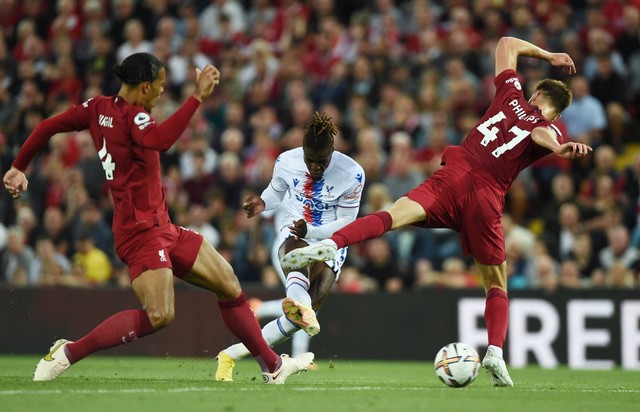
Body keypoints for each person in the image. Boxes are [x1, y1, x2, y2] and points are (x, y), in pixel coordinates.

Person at [281, 37, 593, 387]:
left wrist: (549, 55)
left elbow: (505, 43)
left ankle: (335, 242)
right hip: (486, 196)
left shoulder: (511, 96)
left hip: (454, 175)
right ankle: (495, 351)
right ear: (559, 112)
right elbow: (539, 134)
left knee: (394, 214)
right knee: (495, 281)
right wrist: (561, 147)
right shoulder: (549, 126)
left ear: (536, 94)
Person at [3, 52, 313, 384]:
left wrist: (19, 166)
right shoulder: (135, 118)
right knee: (160, 315)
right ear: (145, 87)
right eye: (161, 86)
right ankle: (67, 353)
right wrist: (197, 98)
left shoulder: (96, 107)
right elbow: (160, 140)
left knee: (229, 284)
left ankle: (272, 366)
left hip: (163, 227)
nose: (163, 92)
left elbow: (49, 125)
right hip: (140, 234)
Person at [215, 112, 365, 381]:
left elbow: (347, 221)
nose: (315, 167)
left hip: (332, 238)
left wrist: (315, 231)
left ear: (332, 152)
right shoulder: (287, 161)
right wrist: (262, 203)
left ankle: (231, 354)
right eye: (310, 160)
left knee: (302, 317)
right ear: (303, 151)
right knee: (295, 254)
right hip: (295, 226)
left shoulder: (352, 173)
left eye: (321, 161)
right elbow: (275, 192)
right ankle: (298, 282)